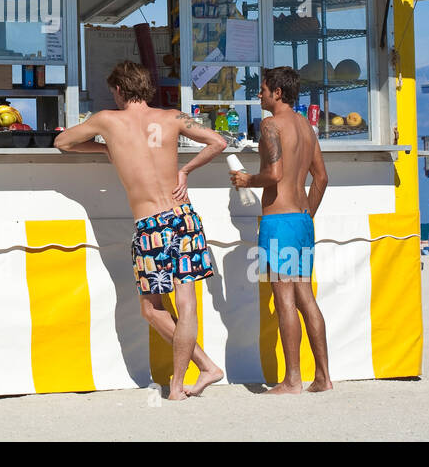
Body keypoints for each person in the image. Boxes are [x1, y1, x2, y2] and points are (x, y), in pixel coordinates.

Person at [55, 61, 235, 400]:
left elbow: (63, 142)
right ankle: (197, 373)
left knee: (152, 309)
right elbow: (217, 142)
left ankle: (185, 383)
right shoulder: (171, 118)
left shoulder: (107, 121)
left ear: (119, 90)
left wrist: (105, 147)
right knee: (186, 303)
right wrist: (186, 171)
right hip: (183, 216)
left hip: (151, 225)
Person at [229, 66, 332, 394]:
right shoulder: (305, 126)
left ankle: (291, 380)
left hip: (278, 222)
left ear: (277, 92)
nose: (258, 94)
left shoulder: (271, 125)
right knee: (306, 296)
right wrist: (306, 215)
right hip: (301, 220)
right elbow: (322, 178)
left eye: (263, 89)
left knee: (284, 298)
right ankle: (323, 377)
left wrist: (247, 180)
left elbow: (273, 174)